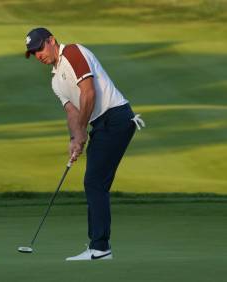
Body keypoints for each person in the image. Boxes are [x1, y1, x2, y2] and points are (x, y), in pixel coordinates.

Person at [24, 27, 145, 261]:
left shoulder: (73, 52)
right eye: (33, 52)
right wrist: (74, 138)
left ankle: (100, 248)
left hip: (116, 118)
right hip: (101, 125)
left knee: (94, 182)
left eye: (39, 47)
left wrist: (82, 133)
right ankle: (98, 245)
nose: (38, 54)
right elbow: (72, 112)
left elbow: (88, 94)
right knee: (95, 183)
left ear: (51, 41)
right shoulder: (55, 82)